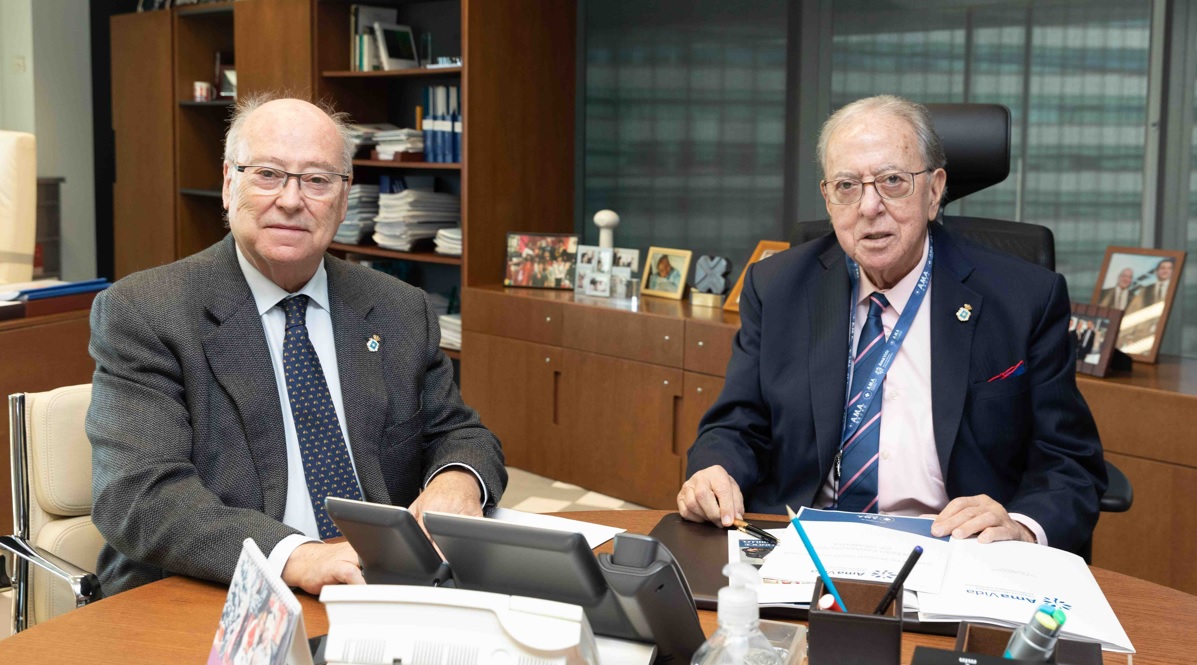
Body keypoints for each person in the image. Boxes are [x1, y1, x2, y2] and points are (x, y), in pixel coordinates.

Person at [87, 94, 506, 597]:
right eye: (267, 174)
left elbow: (460, 432)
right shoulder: (146, 312)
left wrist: (457, 479)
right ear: (229, 184)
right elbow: (139, 495)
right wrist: (295, 555)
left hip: (374, 583)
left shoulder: (398, 309)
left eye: (317, 180)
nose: (290, 200)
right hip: (210, 588)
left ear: (344, 199)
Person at [678, 95, 1105, 555]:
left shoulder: (1024, 299)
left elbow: (1069, 463)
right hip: (800, 543)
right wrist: (714, 469)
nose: (869, 207)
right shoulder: (777, 286)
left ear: (934, 191)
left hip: (953, 548)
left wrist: (1020, 526)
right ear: (828, 199)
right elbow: (737, 423)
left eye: (892, 181)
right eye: (847, 186)